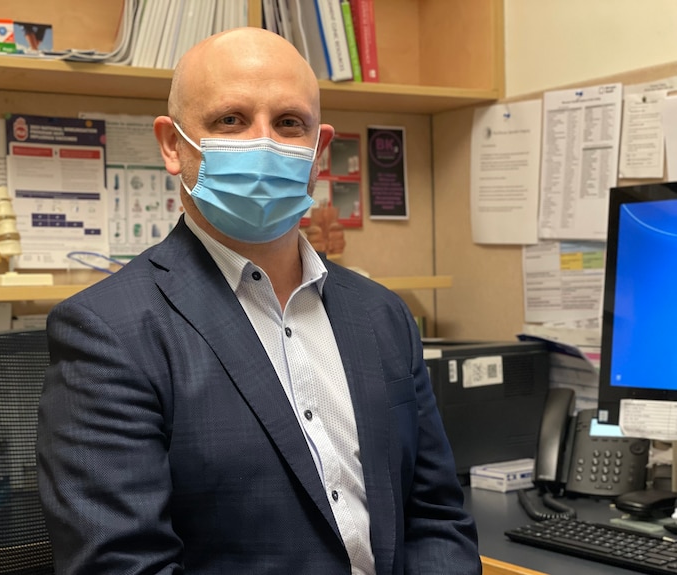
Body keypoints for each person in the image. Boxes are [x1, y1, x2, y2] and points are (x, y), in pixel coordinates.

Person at [37, 26, 480, 575]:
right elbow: (122, 566)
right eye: (231, 120)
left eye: (289, 123)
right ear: (173, 146)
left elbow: (436, 517)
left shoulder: (383, 315)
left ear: (318, 150)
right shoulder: (108, 331)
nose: (264, 143)